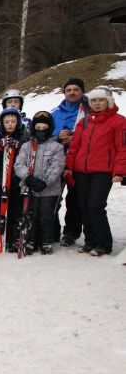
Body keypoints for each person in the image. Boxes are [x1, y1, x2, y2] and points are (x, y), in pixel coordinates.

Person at [64, 86, 126, 256]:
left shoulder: (119, 121)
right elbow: (74, 147)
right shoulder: (84, 122)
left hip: (103, 172)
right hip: (81, 171)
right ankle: (89, 241)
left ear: (109, 102)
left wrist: (119, 171)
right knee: (83, 207)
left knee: (95, 206)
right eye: (94, 101)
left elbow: (122, 148)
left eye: (101, 100)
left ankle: (103, 243)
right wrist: (69, 167)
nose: (97, 104)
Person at [13, 112, 65, 255]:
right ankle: (31, 240)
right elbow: (19, 164)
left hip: (48, 189)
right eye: (38, 127)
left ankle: (46, 241)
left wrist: (46, 182)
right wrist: (28, 178)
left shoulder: (56, 147)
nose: (41, 131)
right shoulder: (26, 146)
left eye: (44, 127)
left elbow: (57, 166)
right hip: (29, 187)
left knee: (46, 216)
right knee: (31, 214)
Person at [50, 77, 90, 247]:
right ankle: (51, 230)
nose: (72, 92)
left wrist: (75, 138)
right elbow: (43, 134)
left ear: (82, 92)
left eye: (76, 89)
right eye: (69, 90)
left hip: (78, 162)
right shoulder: (55, 112)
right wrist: (57, 136)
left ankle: (71, 232)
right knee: (52, 198)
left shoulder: (88, 112)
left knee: (74, 200)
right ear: (64, 92)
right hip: (56, 161)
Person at [0, 107, 31, 251]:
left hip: (16, 181)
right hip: (0, 180)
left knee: (15, 210)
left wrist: (18, 148)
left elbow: (28, 157)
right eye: (7, 122)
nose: (10, 124)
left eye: (13, 121)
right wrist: (0, 146)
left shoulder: (24, 137)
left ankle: (13, 238)